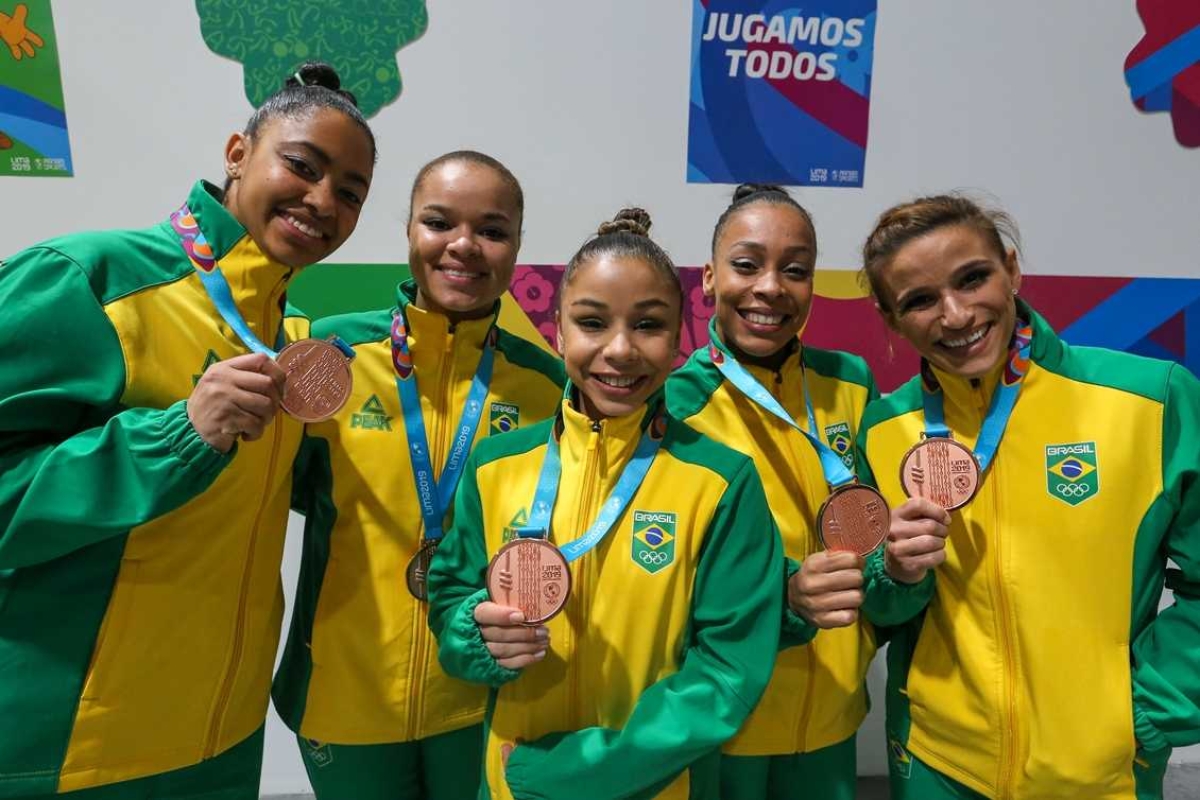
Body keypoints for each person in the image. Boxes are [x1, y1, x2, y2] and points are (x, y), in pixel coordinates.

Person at [0, 61, 375, 797]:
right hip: (71, 748)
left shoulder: (292, 340)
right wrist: (175, 436)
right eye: (302, 165)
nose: (322, 200)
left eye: (351, 192)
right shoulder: (89, 280)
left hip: (222, 747)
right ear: (238, 153)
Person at [426, 208, 784, 799]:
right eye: (592, 323)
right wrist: (474, 637)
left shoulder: (723, 481)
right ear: (559, 332)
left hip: (648, 787)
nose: (619, 351)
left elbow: (726, 671)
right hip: (512, 777)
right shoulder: (495, 465)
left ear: (677, 337)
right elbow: (450, 599)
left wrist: (580, 774)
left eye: (648, 326)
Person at [856, 194, 1200, 800]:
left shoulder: (1150, 400)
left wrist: (1144, 713)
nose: (956, 315)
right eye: (920, 300)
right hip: (939, 765)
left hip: (1099, 773)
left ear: (1011, 270)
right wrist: (896, 572)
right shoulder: (885, 428)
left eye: (972, 278)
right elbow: (880, 612)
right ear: (891, 319)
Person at [272, 150, 565, 799]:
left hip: (482, 697)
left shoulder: (547, 389)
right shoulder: (328, 360)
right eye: (440, 223)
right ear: (408, 228)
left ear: (517, 246)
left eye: (491, 230)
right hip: (345, 694)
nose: (464, 246)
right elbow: (274, 490)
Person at [666, 183, 879, 799]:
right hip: (724, 723)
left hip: (833, 717)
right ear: (707, 278)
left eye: (795, 270)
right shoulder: (674, 403)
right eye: (746, 264)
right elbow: (660, 569)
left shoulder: (851, 384)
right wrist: (782, 591)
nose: (770, 287)